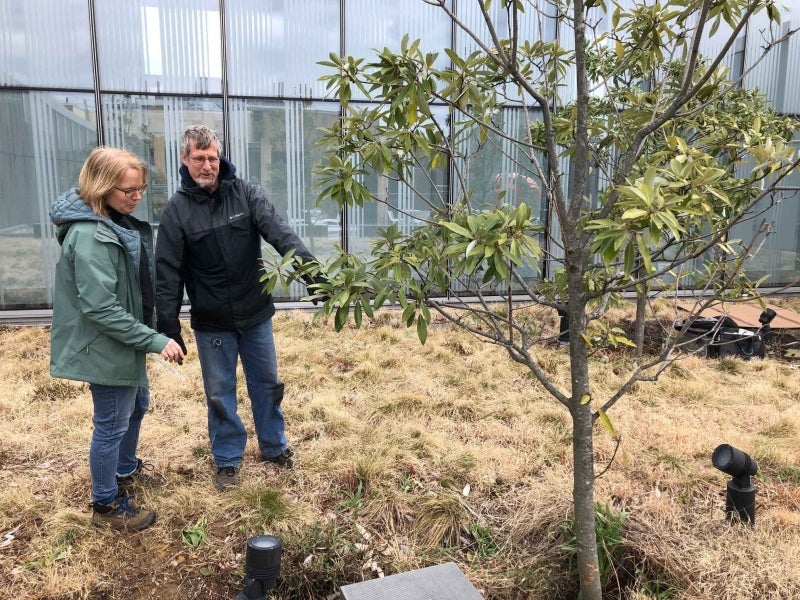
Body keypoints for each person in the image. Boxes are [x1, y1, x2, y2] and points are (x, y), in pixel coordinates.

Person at [155, 124, 321, 491]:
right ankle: (228, 459)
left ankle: (274, 446)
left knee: (267, 383)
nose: (207, 165)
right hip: (212, 322)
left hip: (255, 313)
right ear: (185, 160)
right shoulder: (177, 211)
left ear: (220, 157)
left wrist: (314, 276)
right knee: (219, 392)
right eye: (199, 159)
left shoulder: (246, 194)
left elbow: (282, 235)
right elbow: (167, 273)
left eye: (212, 157)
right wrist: (168, 327)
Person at [49, 147, 185, 531]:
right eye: (128, 190)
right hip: (104, 346)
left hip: (120, 343)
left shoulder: (113, 222)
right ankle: (105, 506)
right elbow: (100, 308)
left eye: (141, 187)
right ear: (102, 187)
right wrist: (155, 340)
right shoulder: (91, 235)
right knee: (111, 423)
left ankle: (124, 471)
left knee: (137, 405)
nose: (137, 196)